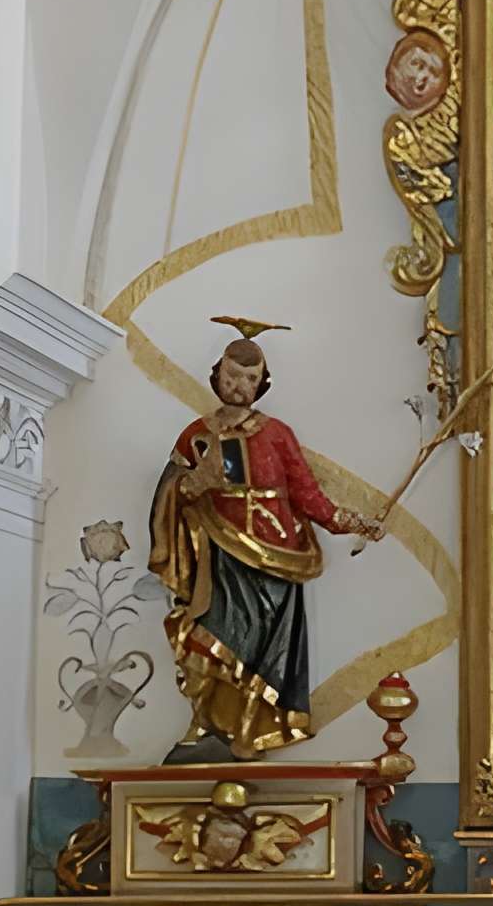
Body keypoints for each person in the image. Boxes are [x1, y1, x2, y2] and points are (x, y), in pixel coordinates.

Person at [146, 323, 376, 759]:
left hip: (277, 559)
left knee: (263, 652)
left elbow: (307, 494)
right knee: (207, 637)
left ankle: (250, 731)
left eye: (250, 379)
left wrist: (351, 521)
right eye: (232, 375)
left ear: (261, 384)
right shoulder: (197, 434)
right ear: (217, 376)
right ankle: (205, 722)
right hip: (220, 557)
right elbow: (170, 491)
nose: (239, 386)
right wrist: (195, 482)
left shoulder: (277, 434)